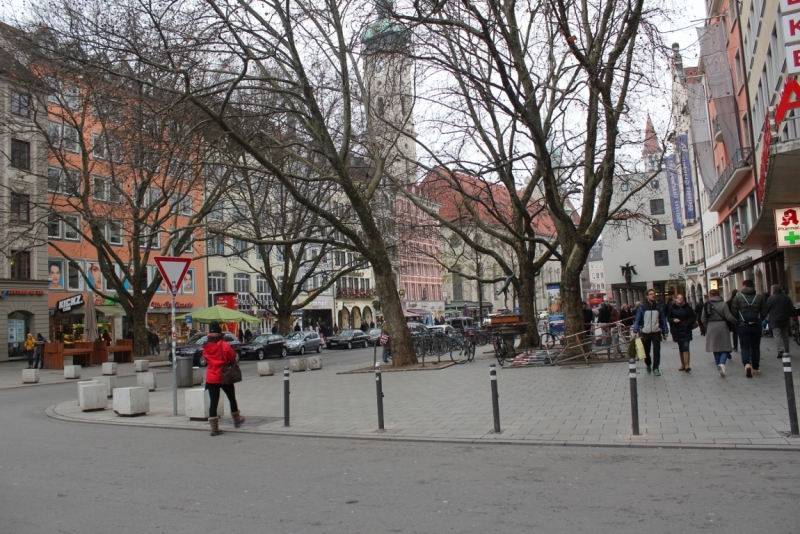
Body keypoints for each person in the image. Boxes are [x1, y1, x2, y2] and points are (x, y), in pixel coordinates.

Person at [203, 321, 244, 436]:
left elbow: (205, 358)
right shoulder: (224, 345)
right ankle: (237, 420)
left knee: (213, 402)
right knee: (232, 398)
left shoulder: (206, 346)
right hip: (224, 375)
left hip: (211, 377)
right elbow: (232, 357)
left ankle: (214, 428)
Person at [729, 279, 768, 377]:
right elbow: (764, 312)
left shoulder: (738, 298)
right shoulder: (759, 297)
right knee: (755, 347)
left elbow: (733, 313)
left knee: (744, 346)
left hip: (743, 325)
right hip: (756, 326)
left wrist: (738, 322)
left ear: (744, 286)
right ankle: (755, 368)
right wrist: (758, 320)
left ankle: (746, 364)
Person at [702, 289, 738, 378]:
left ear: (710, 295)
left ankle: (719, 366)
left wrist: (708, 327)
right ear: (719, 294)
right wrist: (737, 322)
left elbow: (703, 318)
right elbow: (729, 317)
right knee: (725, 347)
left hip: (711, 326)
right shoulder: (723, 304)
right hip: (722, 326)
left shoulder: (707, 305)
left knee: (715, 349)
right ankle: (722, 363)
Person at [632, 288, 669, 376]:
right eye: (651, 294)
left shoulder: (659, 307)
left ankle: (656, 368)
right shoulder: (643, 307)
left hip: (656, 331)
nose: (653, 295)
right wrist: (635, 330)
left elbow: (663, 320)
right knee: (646, 351)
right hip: (646, 332)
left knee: (657, 351)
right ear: (647, 296)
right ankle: (648, 364)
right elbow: (637, 319)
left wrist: (665, 332)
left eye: (654, 294)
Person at [667, 294, 696, 372]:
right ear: (676, 299)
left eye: (681, 298)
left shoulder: (687, 307)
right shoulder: (672, 307)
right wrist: (673, 320)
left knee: (686, 345)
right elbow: (669, 318)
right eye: (678, 298)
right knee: (681, 346)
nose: (680, 299)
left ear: (683, 299)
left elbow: (693, 317)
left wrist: (687, 323)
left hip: (686, 329)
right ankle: (682, 364)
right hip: (677, 329)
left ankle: (687, 365)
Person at [766, 285, 795, 358]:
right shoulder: (786, 298)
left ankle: (780, 351)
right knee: (785, 335)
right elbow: (791, 308)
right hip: (785, 319)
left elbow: (766, 308)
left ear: (773, 290)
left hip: (775, 320)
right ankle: (786, 350)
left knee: (777, 335)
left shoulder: (771, 298)